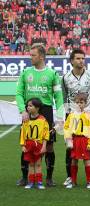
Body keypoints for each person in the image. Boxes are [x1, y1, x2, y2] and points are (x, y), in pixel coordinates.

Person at [16, 44, 64, 187]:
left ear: (41, 56)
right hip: (28, 113)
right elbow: (19, 93)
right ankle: (25, 177)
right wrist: (22, 110)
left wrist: (60, 116)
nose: (30, 57)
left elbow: (59, 96)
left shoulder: (52, 74)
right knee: (27, 144)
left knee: (48, 147)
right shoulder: (25, 73)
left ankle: (49, 178)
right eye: (30, 55)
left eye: (33, 55)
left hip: (46, 112)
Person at [61, 48, 90, 187]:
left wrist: (89, 107)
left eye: (83, 58)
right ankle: (69, 177)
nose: (81, 61)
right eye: (78, 58)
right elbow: (64, 95)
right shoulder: (66, 77)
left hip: (87, 114)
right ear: (72, 61)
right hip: (72, 114)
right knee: (70, 146)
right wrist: (69, 112)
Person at [64, 93, 90, 189]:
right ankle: (73, 181)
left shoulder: (88, 116)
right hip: (75, 140)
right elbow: (66, 128)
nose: (78, 104)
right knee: (74, 160)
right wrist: (68, 140)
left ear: (85, 104)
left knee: (87, 160)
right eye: (77, 102)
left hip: (84, 140)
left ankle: (89, 181)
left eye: (81, 102)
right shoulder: (71, 115)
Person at [20, 98, 49, 189]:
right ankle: (31, 182)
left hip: (38, 145)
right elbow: (23, 133)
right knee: (31, 164)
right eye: (27, 106)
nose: (28, 107)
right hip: (28, 145)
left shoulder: (43, 120)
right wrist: (23, 145)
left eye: (30, 106)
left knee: (38, 164)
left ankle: (39, 182)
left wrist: (44, 146)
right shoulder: (26, 120)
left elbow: (45, 135)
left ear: (37, 108)